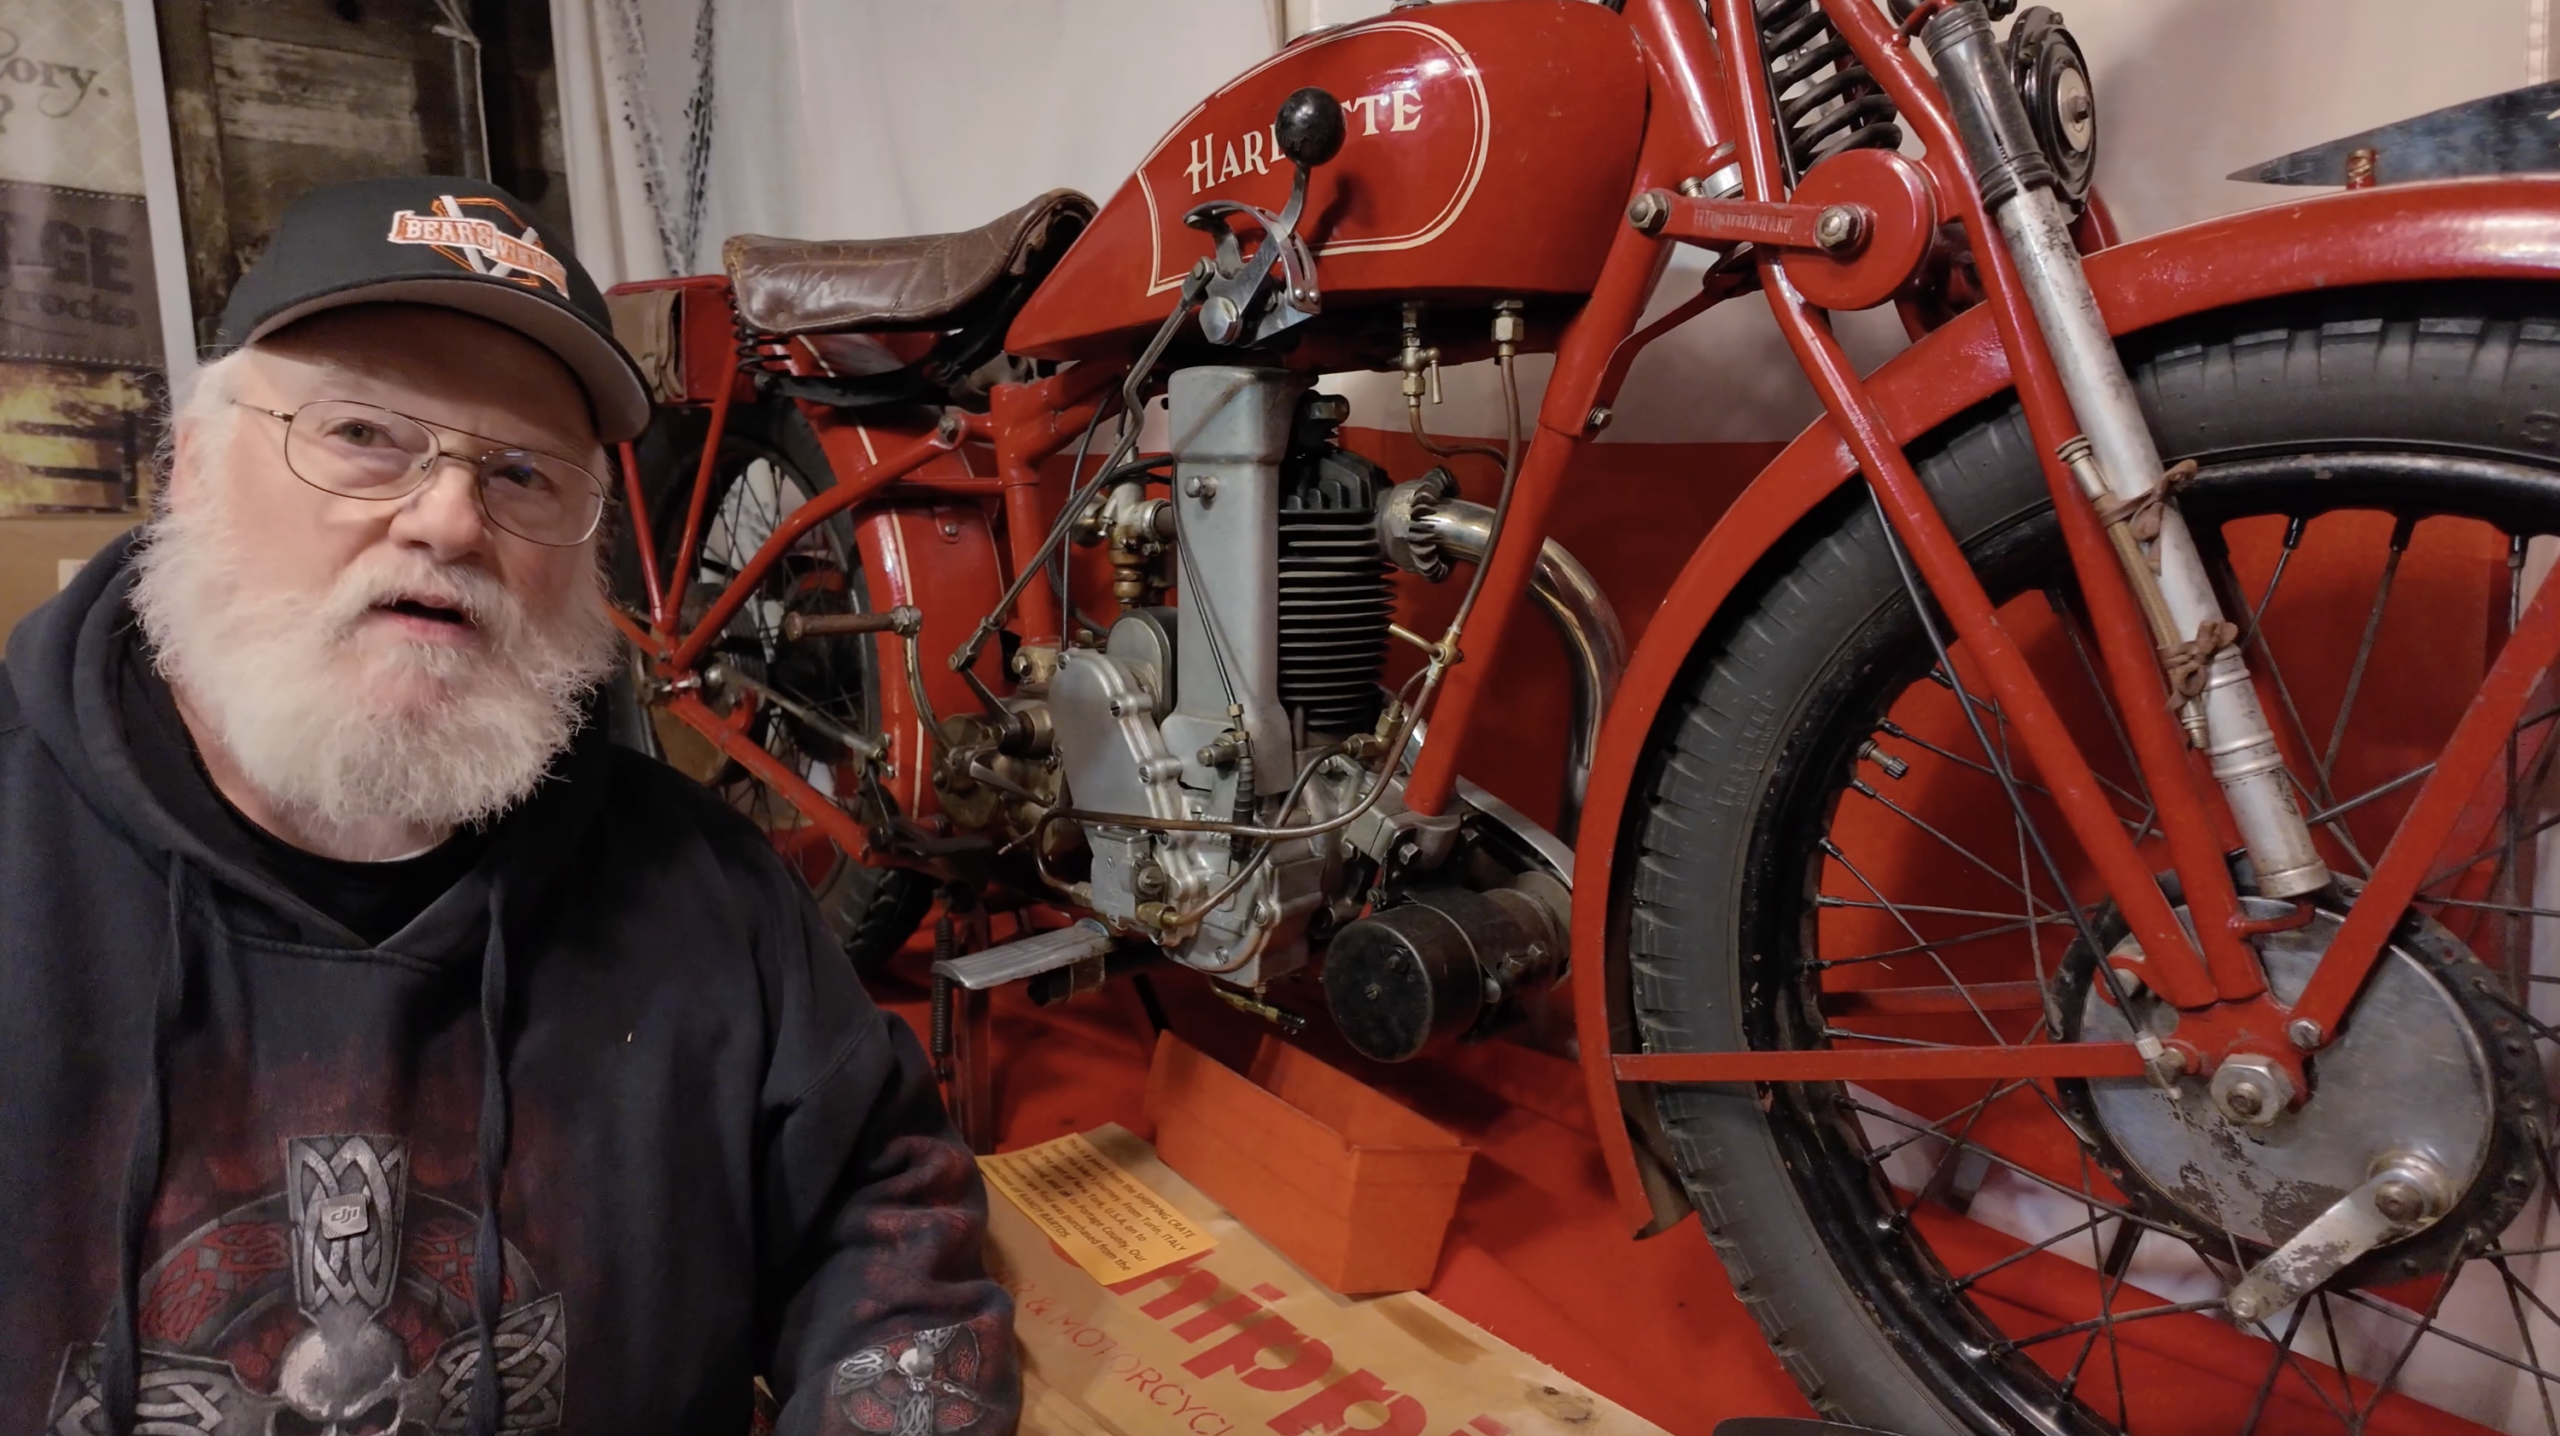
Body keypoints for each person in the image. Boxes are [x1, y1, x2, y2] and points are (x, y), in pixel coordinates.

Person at [0, 178, 1014, 1435]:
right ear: (191, 468)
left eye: (523, 471)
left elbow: (888, 1228)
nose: (448, 518)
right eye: (363, 432)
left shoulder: (713, 895)